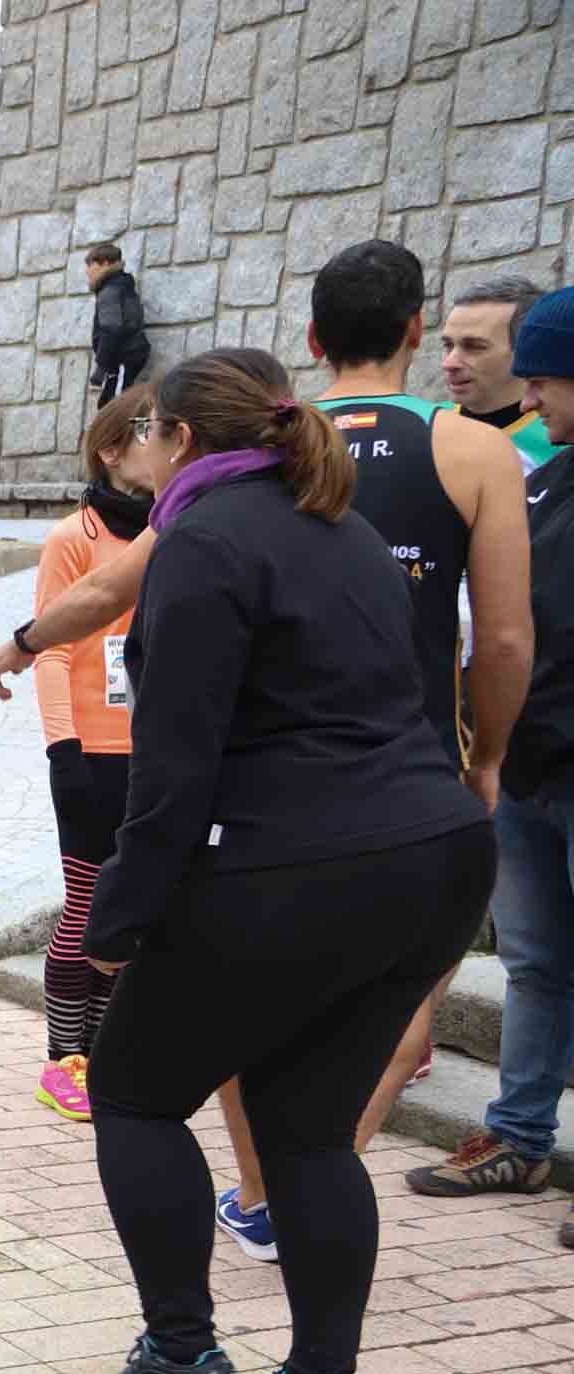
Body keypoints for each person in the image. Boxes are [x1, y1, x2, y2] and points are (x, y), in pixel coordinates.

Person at [63, 348, 494, 1374]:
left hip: (298, 861)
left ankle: (182, 1350)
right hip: (432, 855)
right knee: (307, 1129)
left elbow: (176, 765)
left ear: (185, 442)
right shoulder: (342, 531)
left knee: (134, 1088)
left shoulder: (202, 543)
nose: (137, 454)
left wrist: (118, 919)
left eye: (147, 431)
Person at [208, 241, 528, 1234]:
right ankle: (315, 1183)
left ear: (311, 337)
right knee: (398, 1002)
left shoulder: (263, 438)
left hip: (271, 771)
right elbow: (508, 634)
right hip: (414, 767)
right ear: (415, 333)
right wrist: (486, 755)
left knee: (251, 999)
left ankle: (262, 1190)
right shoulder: (477, 450)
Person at [415, 286, 574, 1236]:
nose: (541, 396)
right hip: (525, 766)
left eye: (552, 379)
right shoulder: (542, 479)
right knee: (533, 963)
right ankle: (518, 1138)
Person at [27, 386, 161, 1123]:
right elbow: (49, 647)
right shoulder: (71, 539)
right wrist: (62, 749)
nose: (168, 439)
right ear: (113, 449)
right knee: (84, 906)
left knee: (132, 909)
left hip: (156, 753)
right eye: (152, 429)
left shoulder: (173, 531)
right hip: (90, 754)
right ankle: (63, 1058)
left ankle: (107, 1051)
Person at [442, 274, 560, 473]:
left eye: (473, 347)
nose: (449, 363)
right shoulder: (420, 426)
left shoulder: (560, 438)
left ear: (528, 351)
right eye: (448, 345)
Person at [84, 242, 153, 407]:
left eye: (90, 266)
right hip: (122, 358)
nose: (88, 272)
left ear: (105, 263)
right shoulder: (122, 286)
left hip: (123, 357)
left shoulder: (110, 291)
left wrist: (101, 366)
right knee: (107, 404)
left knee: (117, 407)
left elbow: (112, 329)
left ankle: (125, 433)